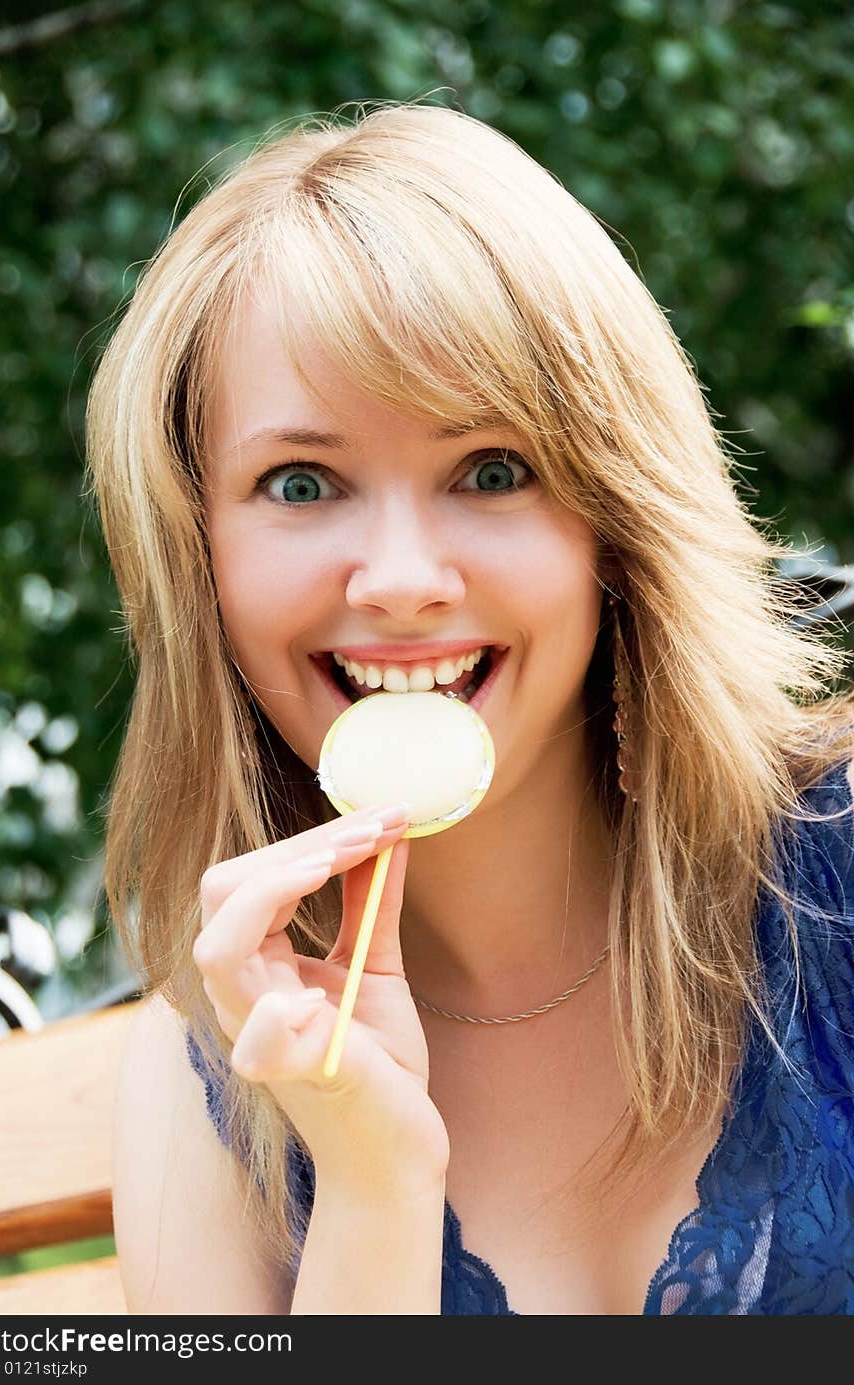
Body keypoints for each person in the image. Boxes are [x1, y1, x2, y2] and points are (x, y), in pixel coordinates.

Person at [87, 100, 854, 1315]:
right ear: (200, 562)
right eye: (300, 481)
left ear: (616, 517)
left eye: (491, 469)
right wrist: (375, 1183)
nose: (398, 578)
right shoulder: (207, 1091)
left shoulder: (837, 875)